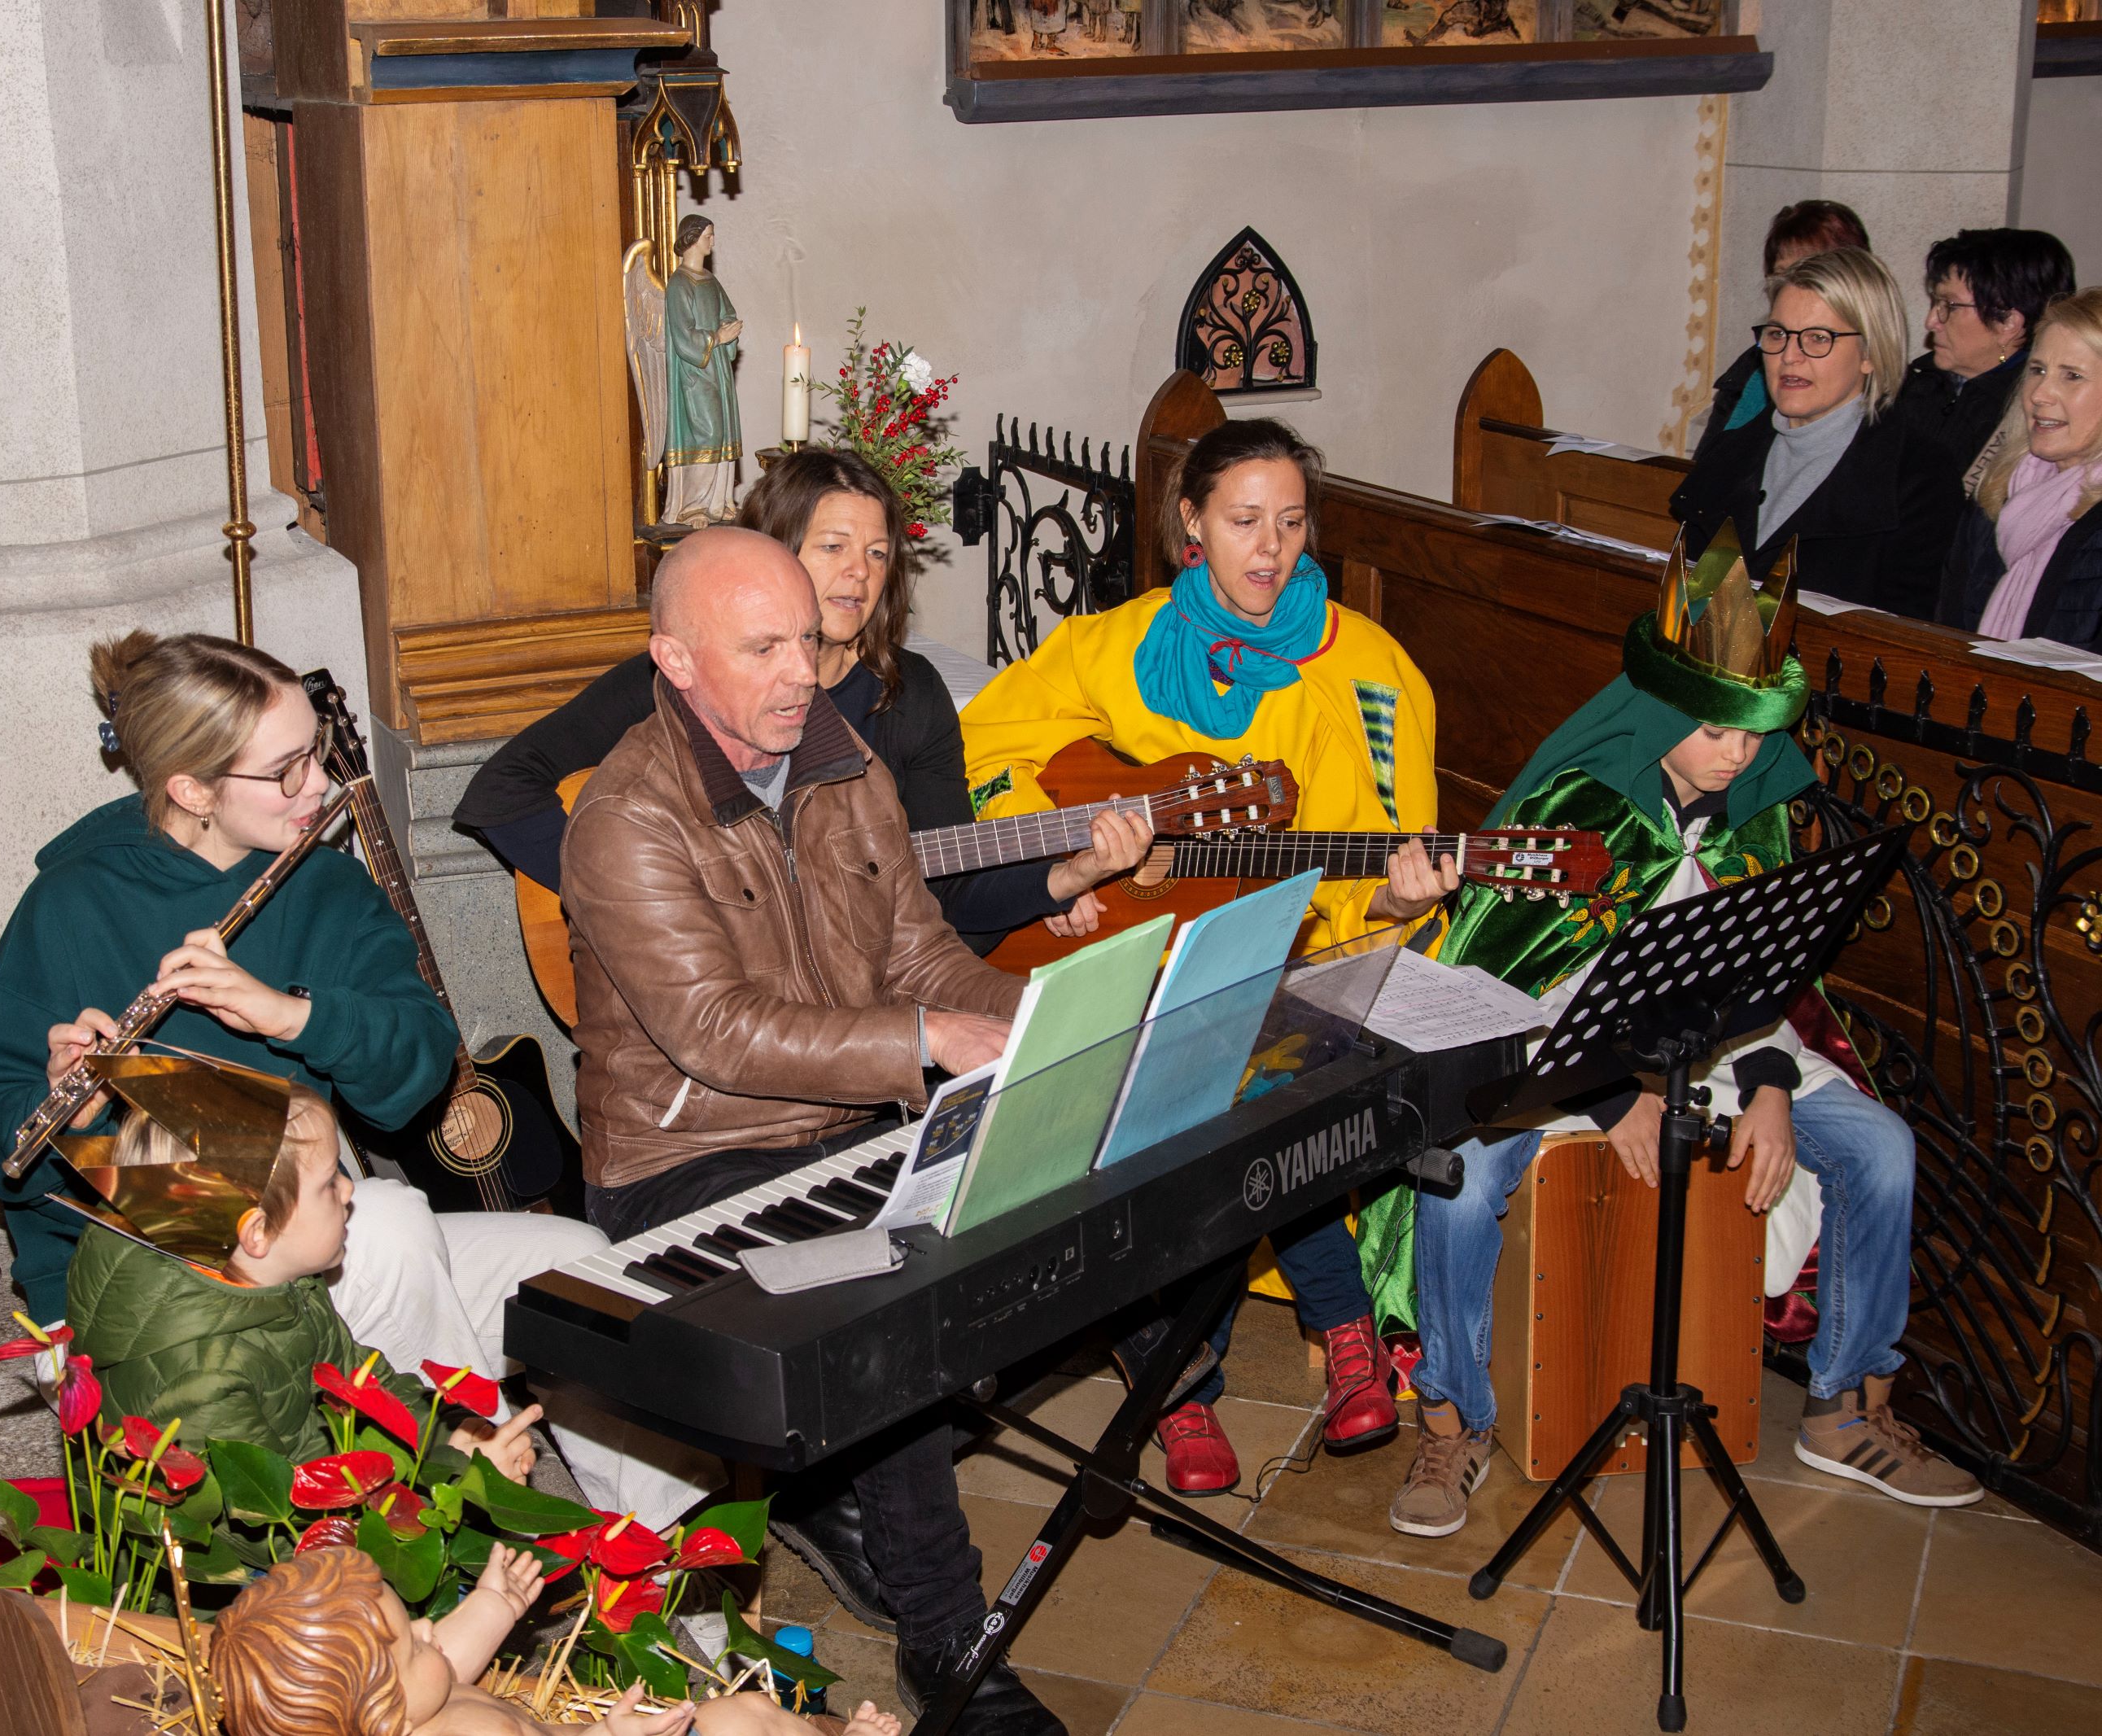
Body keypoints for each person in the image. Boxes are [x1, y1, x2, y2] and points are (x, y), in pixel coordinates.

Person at [0, 631, 714, 1521]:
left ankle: (664, 1588)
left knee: (586, 1275)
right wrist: (69, 1102)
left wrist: (291, 1016)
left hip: (311, 1252)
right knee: (389, 1225)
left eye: (315, 750)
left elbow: (415, 1072)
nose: (319, 784)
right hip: (138, 1303)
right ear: (191, 790)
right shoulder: (71, 903)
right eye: (284, 770)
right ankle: (478, 1531)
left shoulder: (321, 885)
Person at [557, 527, 1057, 1736]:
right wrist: (929, 1039)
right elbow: (721, 1035)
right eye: (765, 646)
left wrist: (1056, 1005)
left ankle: (842, 1481)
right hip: (692, 1163)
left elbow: (922, 954)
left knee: (1061, 1196)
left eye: (814, 641)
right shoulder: (625, 816)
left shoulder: (846, 764)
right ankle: (946, 1634)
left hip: (846, 1125)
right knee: (890, 1289)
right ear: (673, 658)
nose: (802, 672)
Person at [1390, 555, 1982, 1538]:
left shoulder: (1751, 810)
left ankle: (1846, 1404)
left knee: (1879, 1148)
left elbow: (1763, 967)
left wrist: (1768, 1087)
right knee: (1454, 1181)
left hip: (1720, 1047)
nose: (1735, 756)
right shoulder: (1579, 807)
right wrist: (1617, 1098)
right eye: (1712, 730)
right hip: (1555, 1051)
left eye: (1753, 734)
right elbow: (1507, 985)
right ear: (1661, 713)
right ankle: (1455, 1419)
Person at [957, 418, 1459, 1497]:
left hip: (1300, 959)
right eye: (1243, 522)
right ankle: (1202, 1372)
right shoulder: (1108, 650)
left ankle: (1224, 1365)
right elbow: (987, 753)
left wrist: (1390, 895)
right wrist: (1074, 867)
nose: (1270, 548)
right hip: (1131, 960)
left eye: (1289, 523)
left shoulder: (1368, 673)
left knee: (1246, 1065)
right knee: (1154, 1096)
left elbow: (1375, 871)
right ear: (1191, 523)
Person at [455, 449, 1152, 952]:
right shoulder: (688, 673)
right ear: (774, 552)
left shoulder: (906, 697)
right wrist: (635, 900)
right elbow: (500, 792)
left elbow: (954, 896)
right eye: (834, 547)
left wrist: (1070, 871)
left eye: (879, 554)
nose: (860, 573)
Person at [65, 1078, 544, 1476]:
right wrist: (454, 1473)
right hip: (262, 1572)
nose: (349, 1187)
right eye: (328, 1183)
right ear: (257, 1233)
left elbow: (367, 1383)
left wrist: (452, 1434)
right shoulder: (197, 1382)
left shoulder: (284, 1278)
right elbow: (290, 1510)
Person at [208, 1544, 904, 1736]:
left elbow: (448, 1657)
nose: (427, 1626)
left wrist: (493, 1604)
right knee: (746, 1720)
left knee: (744, 1717)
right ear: (374, 1713)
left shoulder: (412, 1698)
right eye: (407, 1641)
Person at [1670, 248, 1963, 621]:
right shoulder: (1730, 454)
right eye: (1778, 334)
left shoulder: (1919, 478)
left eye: (1818, 338)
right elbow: (1687, 609)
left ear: (1870, 353)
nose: (1790, 356)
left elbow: (1902, 640)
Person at [1941, 287, 2102, 645]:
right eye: (2038, 370)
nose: (2040, 394)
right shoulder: (1995, 496)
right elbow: (1946, 637)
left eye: (2071, 376)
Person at [1894, 228, 2077, 473]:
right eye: (1935, 303)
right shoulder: (1913, 386)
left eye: (1950, 305)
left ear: (2007, 323)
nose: (1931, 322)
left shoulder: (2037, 417)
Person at [1703, 199, 1871, 435]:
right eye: (1783, 274)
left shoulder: (1901, 402)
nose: (1794, 286)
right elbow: (1710, 464)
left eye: (1811, 271)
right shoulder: (1750, 369)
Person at [662, 215, 742, 527]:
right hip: (694, 374)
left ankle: (718, 502)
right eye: (708, 235)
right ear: (693, 238)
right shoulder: (679, 284)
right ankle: (691, 505)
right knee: (704, 431)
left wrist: (728, 328)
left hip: (717, 368)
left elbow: (727, 311)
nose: (713, 241)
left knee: (721, 430)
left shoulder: (709, 280)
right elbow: (683, 335)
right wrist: (716, 338)